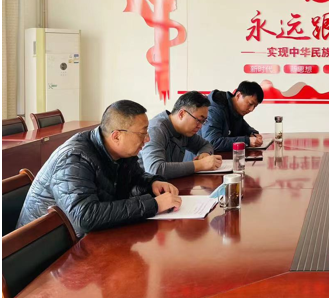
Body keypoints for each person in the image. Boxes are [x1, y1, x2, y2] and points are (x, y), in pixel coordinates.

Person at [17, 100, 182, 237]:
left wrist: (152, 183)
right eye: (142, 133)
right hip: (46, 246)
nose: (148, 139)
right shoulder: (75, 158)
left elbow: (135, 178)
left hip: (83, 238)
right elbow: (84, 217)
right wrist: (153, 205)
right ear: (116, 136)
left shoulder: (121, 151)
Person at [139, 91, 223, 179]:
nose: (200, 126)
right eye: (198, 120)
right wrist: (200, 164)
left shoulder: (184, 130)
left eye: (203, 121)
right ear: (182, 114)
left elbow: (205, 145)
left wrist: (204, 154)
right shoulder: (156, 129)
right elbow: (155, 170)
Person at [199, 81, 264, 151]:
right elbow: (212, 142)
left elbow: (244, 127)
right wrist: (247, 141)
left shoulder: (235, 110)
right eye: (250, 104)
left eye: (255, 106)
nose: (251, 109)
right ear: (238, 95)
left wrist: (253, 133)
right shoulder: (215, 110)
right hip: (200, 156)